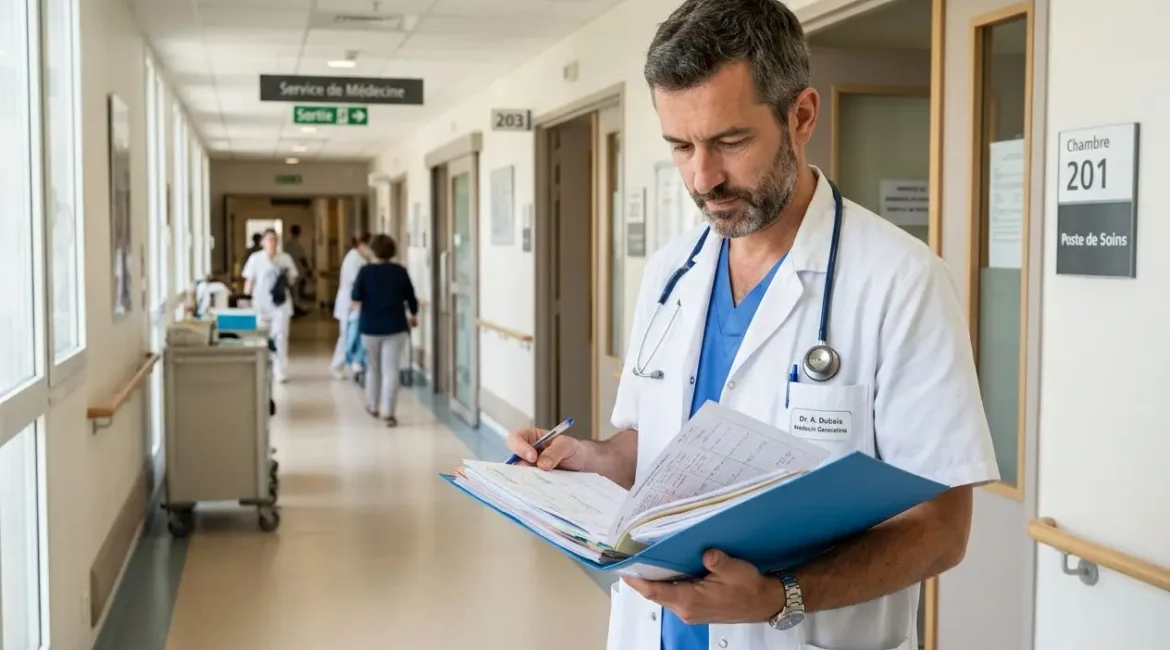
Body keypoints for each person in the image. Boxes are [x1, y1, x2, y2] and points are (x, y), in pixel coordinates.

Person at [505, 1, 999, 649]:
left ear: (801, 116)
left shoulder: (900, 281)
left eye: (730, 142)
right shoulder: (670, 272)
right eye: (681, 146)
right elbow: (651, 444)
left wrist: (780, 596)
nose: (703, 177)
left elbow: (941, 528)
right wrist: (591, 459)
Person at [350, 234, 418, 427]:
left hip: (370, 328)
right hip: (396, 327)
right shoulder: (400, 272)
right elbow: (411, 298)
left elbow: (355, 297)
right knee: (391, 369)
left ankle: (373, 406)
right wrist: (413, 315)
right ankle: (389, 411)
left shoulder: (365, 272)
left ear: (373, 251)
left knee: (373, 369)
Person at [242, 229, 298, 383]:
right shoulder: (256, 259)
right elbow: (249, 281)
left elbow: (292, 280)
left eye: (275, 239)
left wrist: (285, 276)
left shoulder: (285, 258)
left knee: (280, 336)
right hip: (261, 303)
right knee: (261, 336)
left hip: (280, 303)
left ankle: (280, 370)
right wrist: (245, 301)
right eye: (269, 239)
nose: (273, 242)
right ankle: (263, 367)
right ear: (263, 242)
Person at [331, 233, 372, 379]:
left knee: (350, 336)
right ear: (362, 244)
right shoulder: (354, 259)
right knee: (347, 336)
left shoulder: (357, 258)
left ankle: (350, 363)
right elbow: (357, 283)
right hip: (350, 304)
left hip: (352, 304)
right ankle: (338, 365)